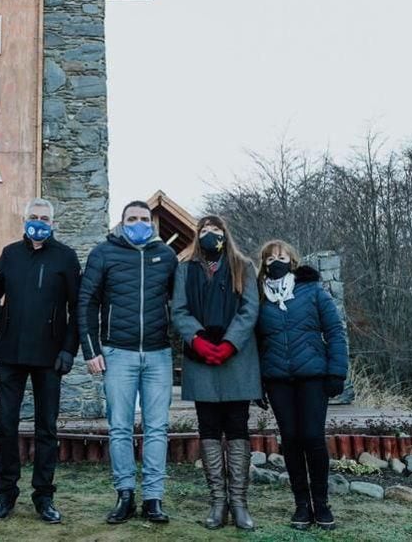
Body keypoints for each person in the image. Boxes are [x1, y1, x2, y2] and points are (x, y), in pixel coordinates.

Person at [78, 201, 178, 524]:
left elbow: (181, 305)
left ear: (152, 223)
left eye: (144, 219)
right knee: (119, 427)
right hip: (116, 353)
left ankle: (153, 498)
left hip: (159, 354)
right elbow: (86, 302)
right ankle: (125, 494)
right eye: (132, 219)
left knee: (157, 428)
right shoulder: (103, 253)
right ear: (121, 223)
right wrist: (91, 349)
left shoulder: (167, 256)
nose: (138, 223)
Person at [0, 198, 81, 524]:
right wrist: (4, 319)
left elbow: (77, 308)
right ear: (24, 219)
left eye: (44, 218)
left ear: (53, 223)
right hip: (10, 354)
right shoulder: (11, 253)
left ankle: (44, 496)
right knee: (5, 425)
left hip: (50, 356)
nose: (38, 221)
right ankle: (5, 494)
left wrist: (69, 349)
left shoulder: (66, 257)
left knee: (46, 429)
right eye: (33, 216)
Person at [172, 215, 260, 530]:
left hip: (236, 360)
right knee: (208, 428)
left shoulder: (243, 266)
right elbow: (178, 310)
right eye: (204, 230)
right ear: (198, 236)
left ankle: (239, 503)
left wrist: (228, 344)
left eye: (216, 230)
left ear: (225, 233)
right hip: (201, 359)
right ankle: (217, 503)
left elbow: (250, 309)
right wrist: (197, 339)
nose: (211, 234)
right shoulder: (185, 269)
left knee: (237, 427)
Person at [256, 240, 348, 531]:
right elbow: (254, 344)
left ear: (292, 260)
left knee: (312, 437)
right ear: (263, 264)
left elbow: (334, 330)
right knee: (291, 439)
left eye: (281, 256)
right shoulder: (258, 296)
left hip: (313, 376)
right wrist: (255, 383)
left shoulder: (311, 291)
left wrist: (337, 372)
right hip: (277, 379)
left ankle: (321, 503)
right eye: (270, 258)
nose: (276, 261)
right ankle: (301, 505)